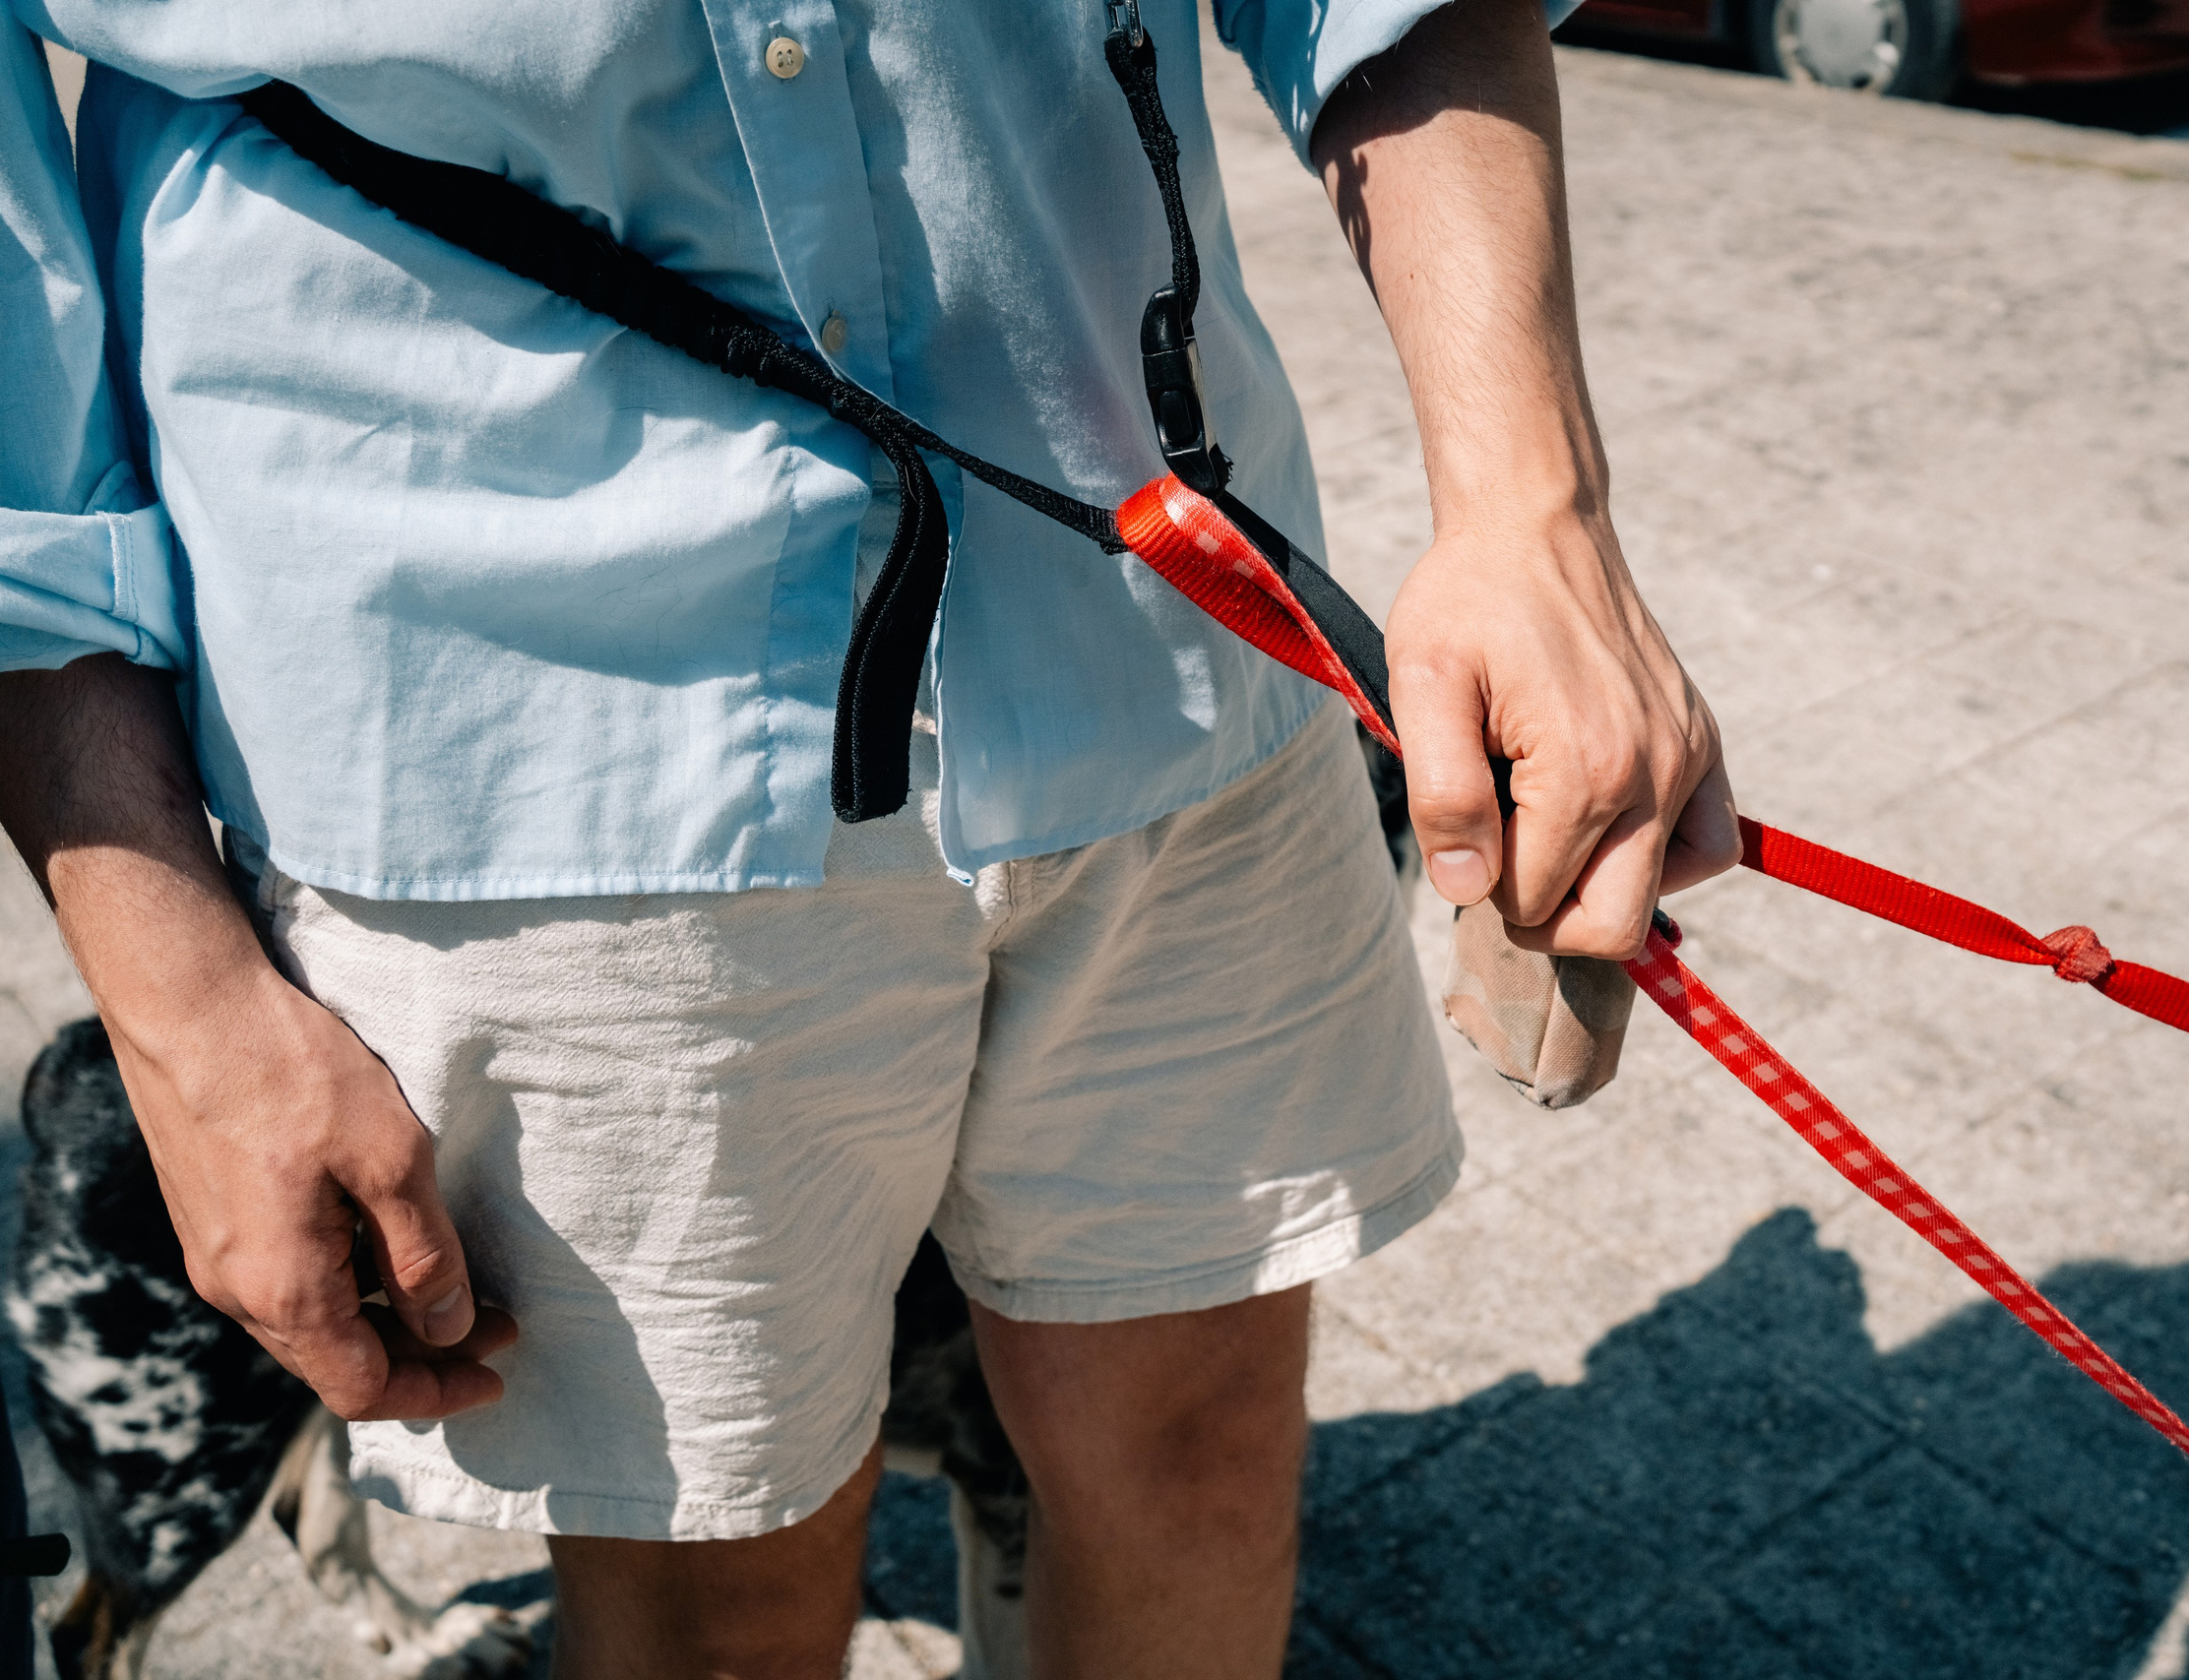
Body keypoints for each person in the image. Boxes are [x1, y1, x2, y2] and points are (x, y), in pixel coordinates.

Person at [0, 0, 1735, 1672]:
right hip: (538, 762)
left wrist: (1534, 504)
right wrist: (176, 1005)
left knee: (1201, 1477)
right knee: (719, 1625)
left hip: (1171, 643)